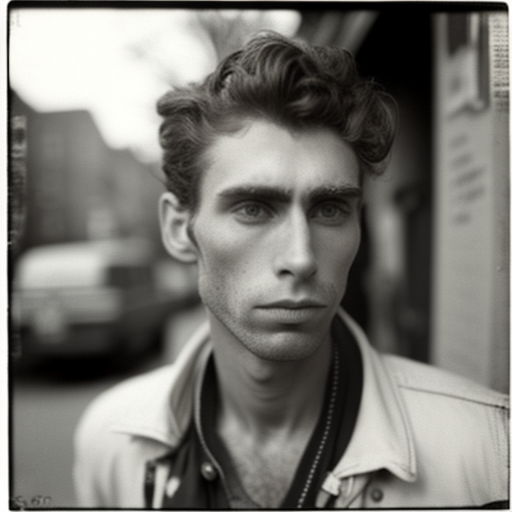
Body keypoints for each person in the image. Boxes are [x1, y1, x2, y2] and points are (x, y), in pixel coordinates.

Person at [73, 32, 509, 509]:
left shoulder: (487, 454)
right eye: (254, 208)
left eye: (329, 210)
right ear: (180, 229)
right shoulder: (112, 443)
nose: (301, 257)